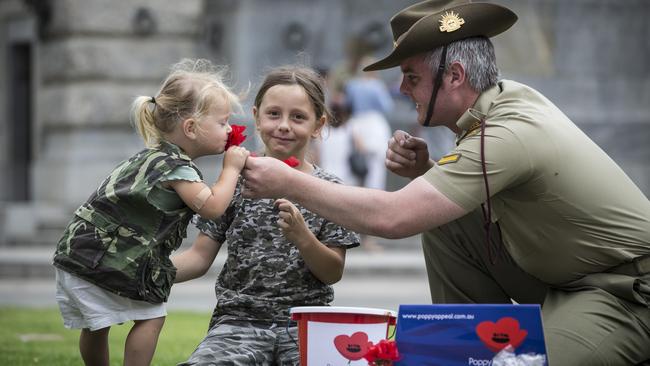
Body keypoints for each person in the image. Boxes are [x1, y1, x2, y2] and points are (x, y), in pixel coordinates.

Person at [240, 1, 650, 365]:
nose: (401, 89)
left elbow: (396, 218)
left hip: (624, 295)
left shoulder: (507, 132)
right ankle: (470, 348)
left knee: (518, 364)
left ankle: (487, 356)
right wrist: (429, 172)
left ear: (453, 75)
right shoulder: (503, 106)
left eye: (411, 77)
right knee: (439, 215)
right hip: (563, 281)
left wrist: (289, 181)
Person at [52, 58, 250, 366]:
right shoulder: (177, 168)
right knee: (150, 317)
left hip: (78, 251)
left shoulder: (150, 158)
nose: (229, 129)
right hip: (108, 256)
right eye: (223, 122)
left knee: (96, 324)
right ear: (191, 128)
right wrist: (231, 169)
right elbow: (212, 207)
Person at [172, 65, 360, 365]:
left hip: (306, 326)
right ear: (257, 116)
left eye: (298, 117)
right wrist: (146, 273)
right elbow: (198, 258)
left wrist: (303, 237)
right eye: (274, 114)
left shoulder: (331, 191)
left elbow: (332, 272)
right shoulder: (232, 182)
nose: (284, 125)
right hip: (238, 323)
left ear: (318, 124)